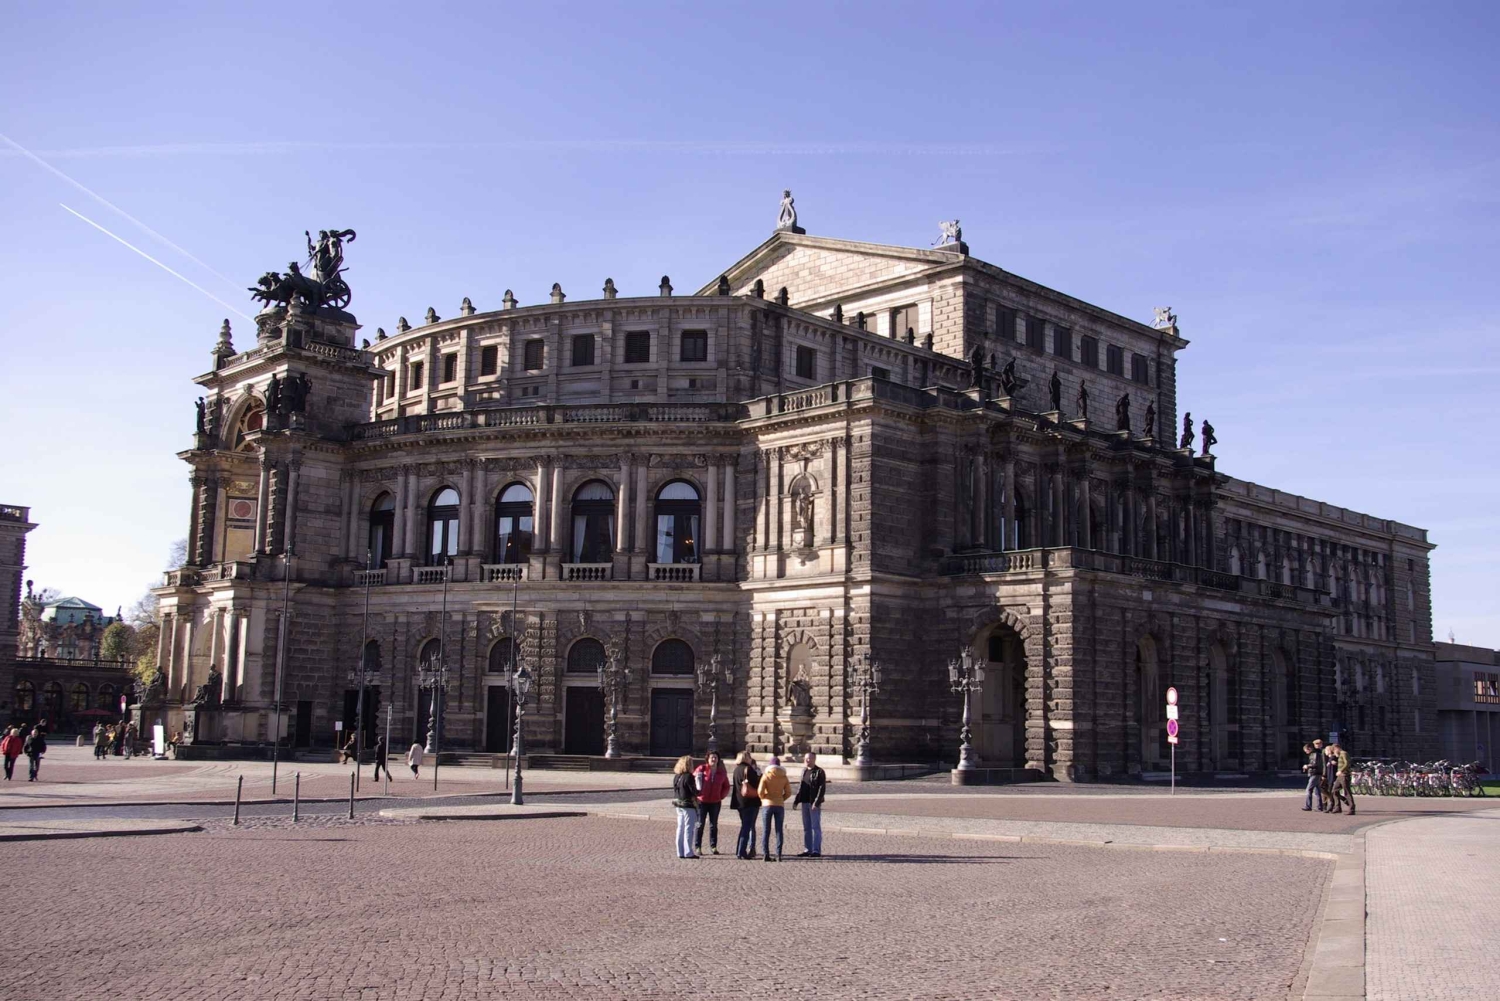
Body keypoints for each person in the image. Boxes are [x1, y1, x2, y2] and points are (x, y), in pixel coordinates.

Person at [692, 751, 730, 855]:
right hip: (702, 802)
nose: (714, 759)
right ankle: (698, 846)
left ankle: (713, 846)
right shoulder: (701, 769)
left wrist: (721, 796)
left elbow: (726, 786)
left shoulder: (721, 772)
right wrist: (697, 794)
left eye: (716, 757)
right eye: (712, 757)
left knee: (713, 825)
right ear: (708, 759)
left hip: (715, 802)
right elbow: (693, 780)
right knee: (700, 824)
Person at [756, 754, 791, 862]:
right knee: (779, 830)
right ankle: (778, 854)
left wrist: (764, 799)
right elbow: (789, 792)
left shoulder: (766, 775)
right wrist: (781, 799)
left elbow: (760, 792)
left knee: (766, 830)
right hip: (779, 805)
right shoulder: (784, 776)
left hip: (767, 805)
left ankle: (765, 854)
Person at [793, 751, 827, 857]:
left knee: (815, 827)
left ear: (814, 759)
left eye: (810, 758)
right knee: (806, 827)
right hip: (804, 802)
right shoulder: (803, 771)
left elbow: (822, 789)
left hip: (813, 803)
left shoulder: (819, 772)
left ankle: (816, 850)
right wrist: (796, 800)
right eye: (806, 758)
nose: (808, 760)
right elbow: (801, 787)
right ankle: (808, 849)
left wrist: (816, 803)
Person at [730, 750, 761, 859]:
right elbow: (756, 784)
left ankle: (739, 850)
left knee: (744, 826)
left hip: (740, 802)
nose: (750, 759)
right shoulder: (749, 769)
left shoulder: (736, 770)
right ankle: (741, 851)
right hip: (750, 801)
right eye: (749, 757)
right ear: (746, 758)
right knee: (747, 827)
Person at [672, 755, 700, 859]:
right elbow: (695, 792)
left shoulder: (677, 776)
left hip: (678, 804)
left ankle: (680, 851)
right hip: (688, 804)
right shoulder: (689, 776)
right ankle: (688, 852)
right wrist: (699, 784)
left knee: (680, 828)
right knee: (689, 828)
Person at [1330, 742, 1355, 815]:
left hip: (1344, 775)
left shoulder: (1344, 753)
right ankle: (1337, 807)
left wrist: (1341, 770)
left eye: (1334, 750)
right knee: (1334, 790)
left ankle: (1351, 808)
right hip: (1340, 776)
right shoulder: (1340, 755)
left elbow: (1347, 763)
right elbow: (1342, 764)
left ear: (1336, 748)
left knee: (1347, 792)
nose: (1334, 753)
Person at [1302, 740, 1325, 812]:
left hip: (1315, 773)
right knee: (1317, 791)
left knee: (1308, 790)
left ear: (1309, 749)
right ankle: (1319, 806)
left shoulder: (1314, 754)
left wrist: (1307, 766)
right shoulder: (1316, 754)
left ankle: (1308, 806)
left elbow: (1315, 764)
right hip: (1317, 773)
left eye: (1306, 750)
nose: (1306, 752)